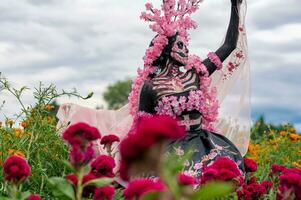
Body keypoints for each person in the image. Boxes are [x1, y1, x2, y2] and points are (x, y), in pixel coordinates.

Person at [57, 0, 251, 177]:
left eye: (186, 45)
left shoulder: (196, 73)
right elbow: (142, 130)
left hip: (205, 143)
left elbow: (229, 46)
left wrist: (235, 7)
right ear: (166, 48)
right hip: (170, 149)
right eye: (181, 45)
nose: (186, 50)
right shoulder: (150, 88)